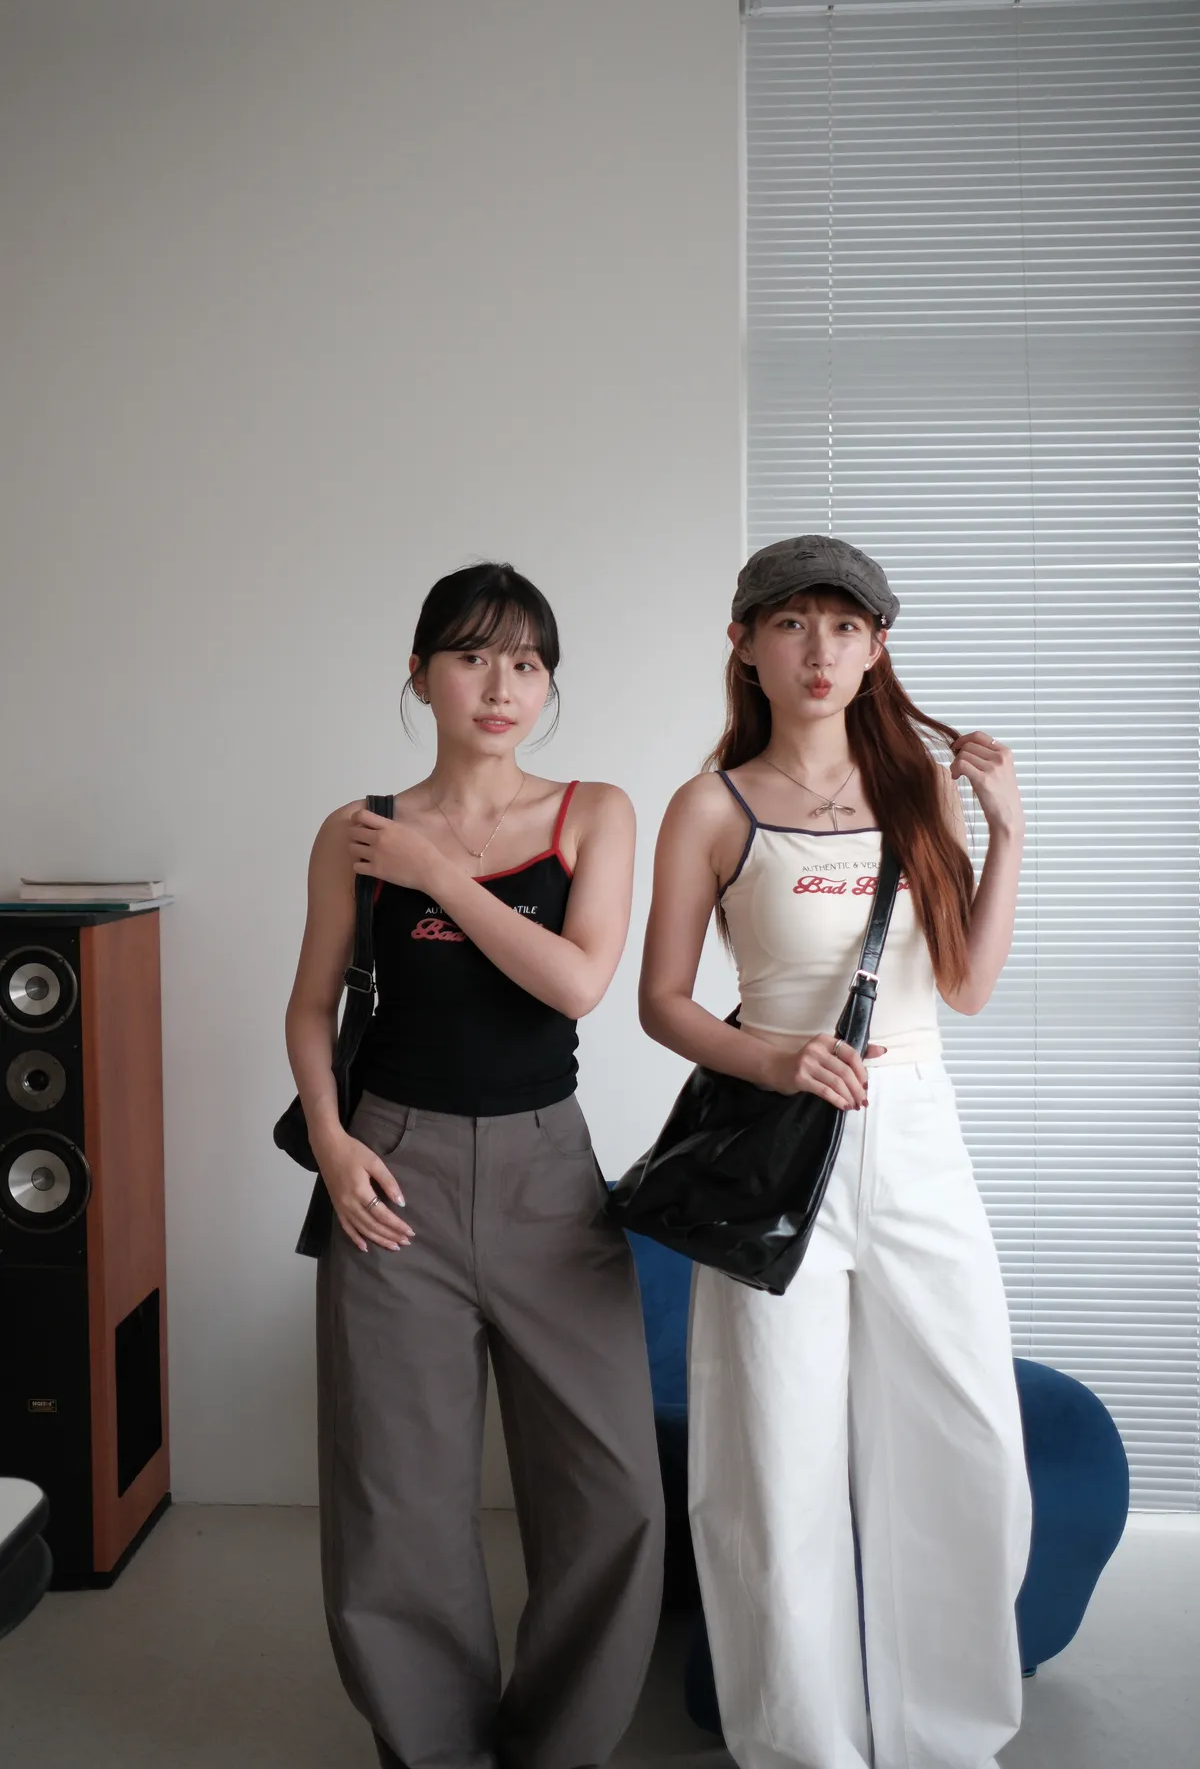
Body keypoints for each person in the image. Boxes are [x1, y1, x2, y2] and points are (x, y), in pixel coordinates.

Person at [639, 536, 1032, 1769]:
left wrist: (1008, 831)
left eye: (847, 627)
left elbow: (964, 987)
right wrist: (774, 1062)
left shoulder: (917, 790)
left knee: (965, 1435)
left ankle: (947, 1738)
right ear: (744, 644)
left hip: (916, 1133)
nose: (821, 651)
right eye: (794, 624)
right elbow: (662, 1003)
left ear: (877, 649)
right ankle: (802, 1747)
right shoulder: (712, 806)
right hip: (779, 1140)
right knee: (773, 1458)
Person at [284, 562, 664, 1769]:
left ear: (548, 685)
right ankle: (434, 1750)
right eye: (472, 656)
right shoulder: (356, 832)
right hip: (392, 1170)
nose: (502, 686)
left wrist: (441, 875)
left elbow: (579, 983)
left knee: (613, 1495)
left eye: (528, 663)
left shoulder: (595, 811)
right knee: (397, 1502)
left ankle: (558, 1745)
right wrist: (332, 1142)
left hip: (552, 1180)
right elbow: (310, 1006)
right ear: (419, 674)